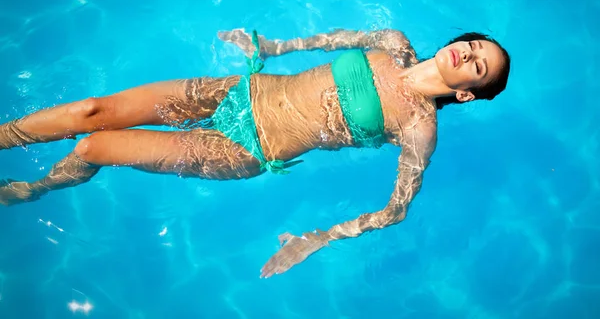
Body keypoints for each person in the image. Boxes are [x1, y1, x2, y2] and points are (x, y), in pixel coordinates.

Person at [0, 28, 511, 277]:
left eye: (478, 66)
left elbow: (396, 210)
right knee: (92, 109)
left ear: (466, 92)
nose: (468, 53)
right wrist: (270, 48)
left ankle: (34, 189)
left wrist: (319, 237)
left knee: (94, 146)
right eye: (475, 45)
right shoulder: (390, 42)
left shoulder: (419, 127)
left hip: (241, 148)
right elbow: (323, 40)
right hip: (235, 90)